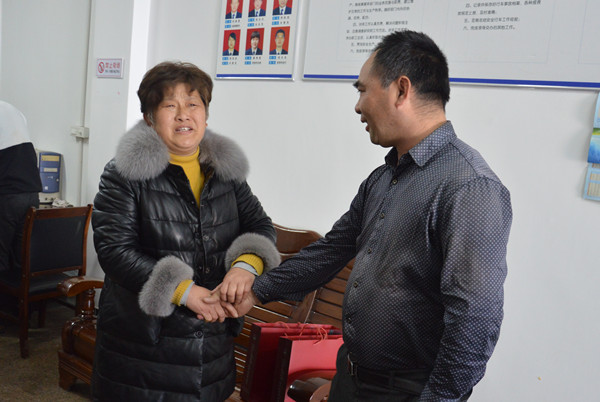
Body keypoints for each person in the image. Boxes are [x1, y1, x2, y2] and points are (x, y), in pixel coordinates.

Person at [223, 30, 513, 401]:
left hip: (406, 391)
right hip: (353, 378)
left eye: (363, 90)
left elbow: (475, 316)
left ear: (401, 90)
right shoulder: (384, 177)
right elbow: (331, 251)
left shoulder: (469, 187)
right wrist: (257, 290)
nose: (358, 106)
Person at [91, 61, 279, 401]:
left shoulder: (225, 170)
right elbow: (114, 251)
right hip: (144, 348)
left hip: (213, 338)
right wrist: (182, 290)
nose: (184, 115)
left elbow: (260, 225)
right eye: (169, 105)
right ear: (149, 118)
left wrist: (245, 266)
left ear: (205, 114)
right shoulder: (124, 174)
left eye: (193, 104)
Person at [0, 101, 42, 276]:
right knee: (21, 257)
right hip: (31, 193)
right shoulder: (11, 109)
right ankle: (19, 294)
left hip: (8, 195)